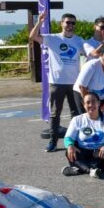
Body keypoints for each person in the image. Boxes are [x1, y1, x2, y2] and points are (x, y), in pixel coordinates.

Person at [30, 11, 86, 152]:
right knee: (55, 113)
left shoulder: (79, 40)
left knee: (76, 113)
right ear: (62, 23)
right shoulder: (53, 38)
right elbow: (33, 37)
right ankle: (53, 142)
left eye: (73, 23)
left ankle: (75, 141)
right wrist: (40, 22)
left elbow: (90, 54)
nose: (70, 25)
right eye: (67, 22)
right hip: (57, 82)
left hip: (74, 83)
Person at [62, 92, 104, 178]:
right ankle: (90, 170)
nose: (91, 105)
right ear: (84, 105)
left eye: (93, 102)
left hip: (101, 153)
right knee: (69, 151)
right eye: (88, 102)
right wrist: (70, 145)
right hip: (83, 152)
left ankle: (79, 169)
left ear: (99, 103)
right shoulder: (77, 120)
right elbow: (68, 138)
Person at [74, 46, 104, 115]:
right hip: (83, 92)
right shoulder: (91, 65)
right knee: (88, 116)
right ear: (101, 55)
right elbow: (82, 87)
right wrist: (89, 105)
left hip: (103, 97)